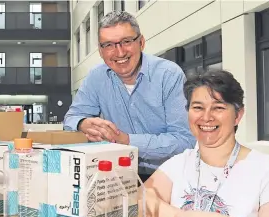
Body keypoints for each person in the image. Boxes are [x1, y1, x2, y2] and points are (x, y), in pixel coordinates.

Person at [144, 70, 269, 217]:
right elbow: (139, 200)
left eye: (218, 107)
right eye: (197, 107)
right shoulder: (180, 163)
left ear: (237, 115)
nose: (206, 117)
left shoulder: (266, 168)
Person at [63, 10, 195, 181]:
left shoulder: (169, 75)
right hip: (119, 175)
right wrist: (82, 123)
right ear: (101, 51)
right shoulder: (96, 77)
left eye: (126, 41)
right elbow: (70, 119)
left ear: (141, 42)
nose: (119, 52)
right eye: (108, 45)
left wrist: (126, 140)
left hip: (169, 175)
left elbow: (184, 141)